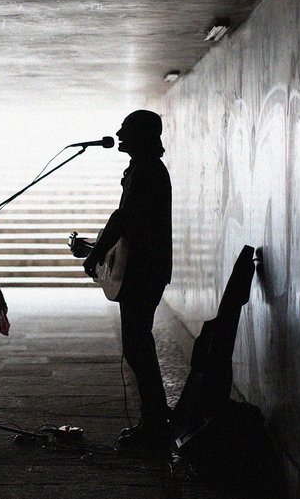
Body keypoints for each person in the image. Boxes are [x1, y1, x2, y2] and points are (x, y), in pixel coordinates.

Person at [82, 110, 173, 448]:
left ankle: (155, 424)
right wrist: (98, 246)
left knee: (138, 347)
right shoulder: (144, 168)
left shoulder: (147, 170)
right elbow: (132, 225)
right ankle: (154, 418)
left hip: (143, 272)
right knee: (138, 346)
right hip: (143, 269)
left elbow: (124, 218)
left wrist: (95, 253)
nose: (119, 132)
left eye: (126, 128)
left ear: (142, 135)